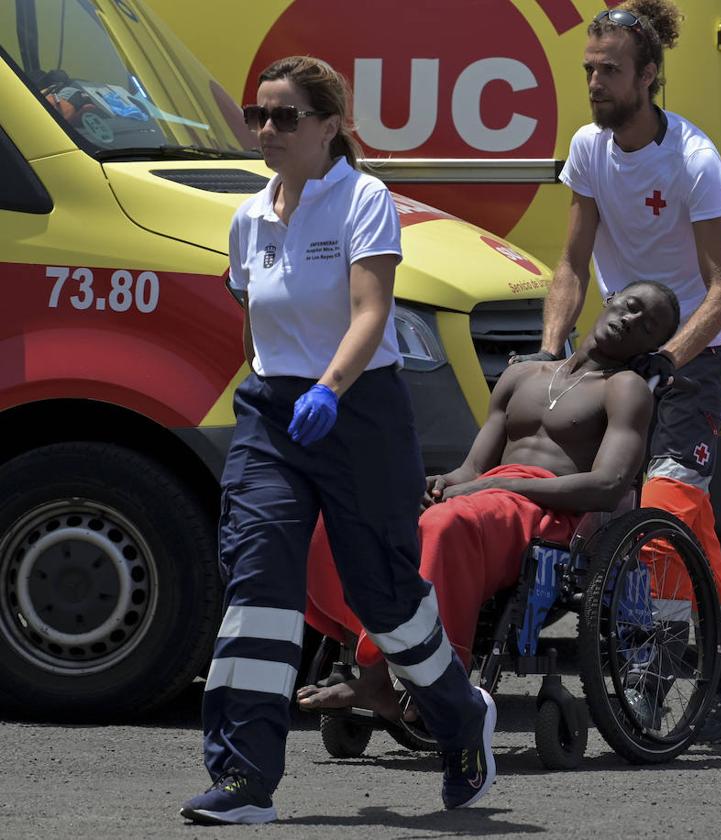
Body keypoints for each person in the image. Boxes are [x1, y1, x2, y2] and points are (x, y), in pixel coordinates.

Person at [181, 56, 495, 825]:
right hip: (272, 414)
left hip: (357, 412)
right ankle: (244, 778)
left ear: (329, 127)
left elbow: (369, 312)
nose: (267, 130)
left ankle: (457, 715)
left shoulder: (363, 199)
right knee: (258, 582)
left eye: (286, 117)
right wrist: (279, 390)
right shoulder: (248, 217)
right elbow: (255, 318)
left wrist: (329, 387)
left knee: (382, 598)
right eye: (259, 116)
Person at [507, 0, 721, 744]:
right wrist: (554, 351)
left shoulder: (694, 160)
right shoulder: (588, 149)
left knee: (670, 506)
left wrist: (666, 360)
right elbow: (571, 265)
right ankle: (706, 660)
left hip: (694, 353)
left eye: (610, 71)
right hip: (619, 349)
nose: (595, 83)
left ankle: (697, 672)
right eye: (589, 70)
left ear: (650, 77)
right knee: (611, 509)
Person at [296, 281, 682, 721]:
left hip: (551, 515)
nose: (631, 320)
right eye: (630, 307)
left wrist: (497, 489)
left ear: (652, 345)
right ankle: (375, 666)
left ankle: (431, 677)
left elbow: (608, 485)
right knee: (348, 510)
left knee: (446, 524)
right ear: (609, 301)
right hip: (487, 497)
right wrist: (433, 483)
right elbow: (471, 470)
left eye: (647, 325)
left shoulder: (626, 388)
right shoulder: (523, 376)